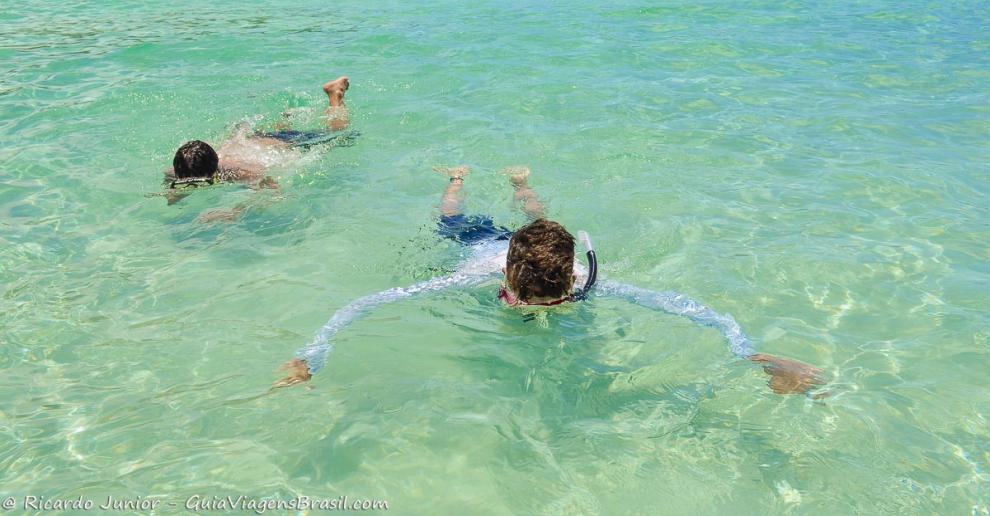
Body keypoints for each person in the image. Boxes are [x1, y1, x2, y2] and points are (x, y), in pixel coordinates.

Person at [275, 167, 826, 396]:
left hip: (513, 242)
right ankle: (460, 179)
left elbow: (365, 306)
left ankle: (510, 183)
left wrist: (757, 358)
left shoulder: (575, 278)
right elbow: (695, 310)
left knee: (529, 217)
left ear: (517, 274)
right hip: (477, 239)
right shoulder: (496, 269)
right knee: (451, 217)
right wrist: (314, 355)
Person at [164, 76, 352, 216]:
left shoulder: (238, 172)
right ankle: (287, 116)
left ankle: (335, 95)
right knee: (272, 132)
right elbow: (171, 193)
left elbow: (274, 191)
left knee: (337, 135)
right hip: (254, 140)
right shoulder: (176, 171)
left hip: (282, 143)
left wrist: (234, 212)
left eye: (200, 183)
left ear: (215, 172)